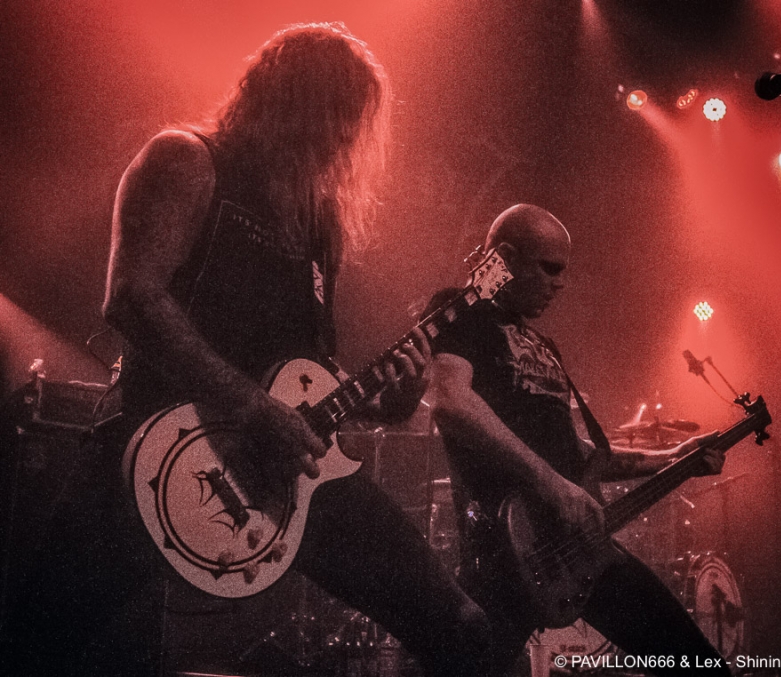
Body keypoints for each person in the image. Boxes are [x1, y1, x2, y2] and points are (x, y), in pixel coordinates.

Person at [5, 23, 489, 677]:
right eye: (336, 114)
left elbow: (308, 370)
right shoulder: (187, 160)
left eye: (354, 122)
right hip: (155, 443)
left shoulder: (317, 221)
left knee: (462, 627)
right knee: (38, 644)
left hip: (286, 473)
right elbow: (133, 298)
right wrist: (254, 407)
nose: (345, 138)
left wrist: (389, 397)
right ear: (291, 102)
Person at [426, 203, 731, 677]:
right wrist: (552, 485)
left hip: (578, 550)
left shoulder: (545, 346)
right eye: (550, 268)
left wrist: (672, 457)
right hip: (506, 550)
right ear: (505, 257)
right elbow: (452, 402)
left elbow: (580, 456)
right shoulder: (460, 310)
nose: (560, 283)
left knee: (697, 665)